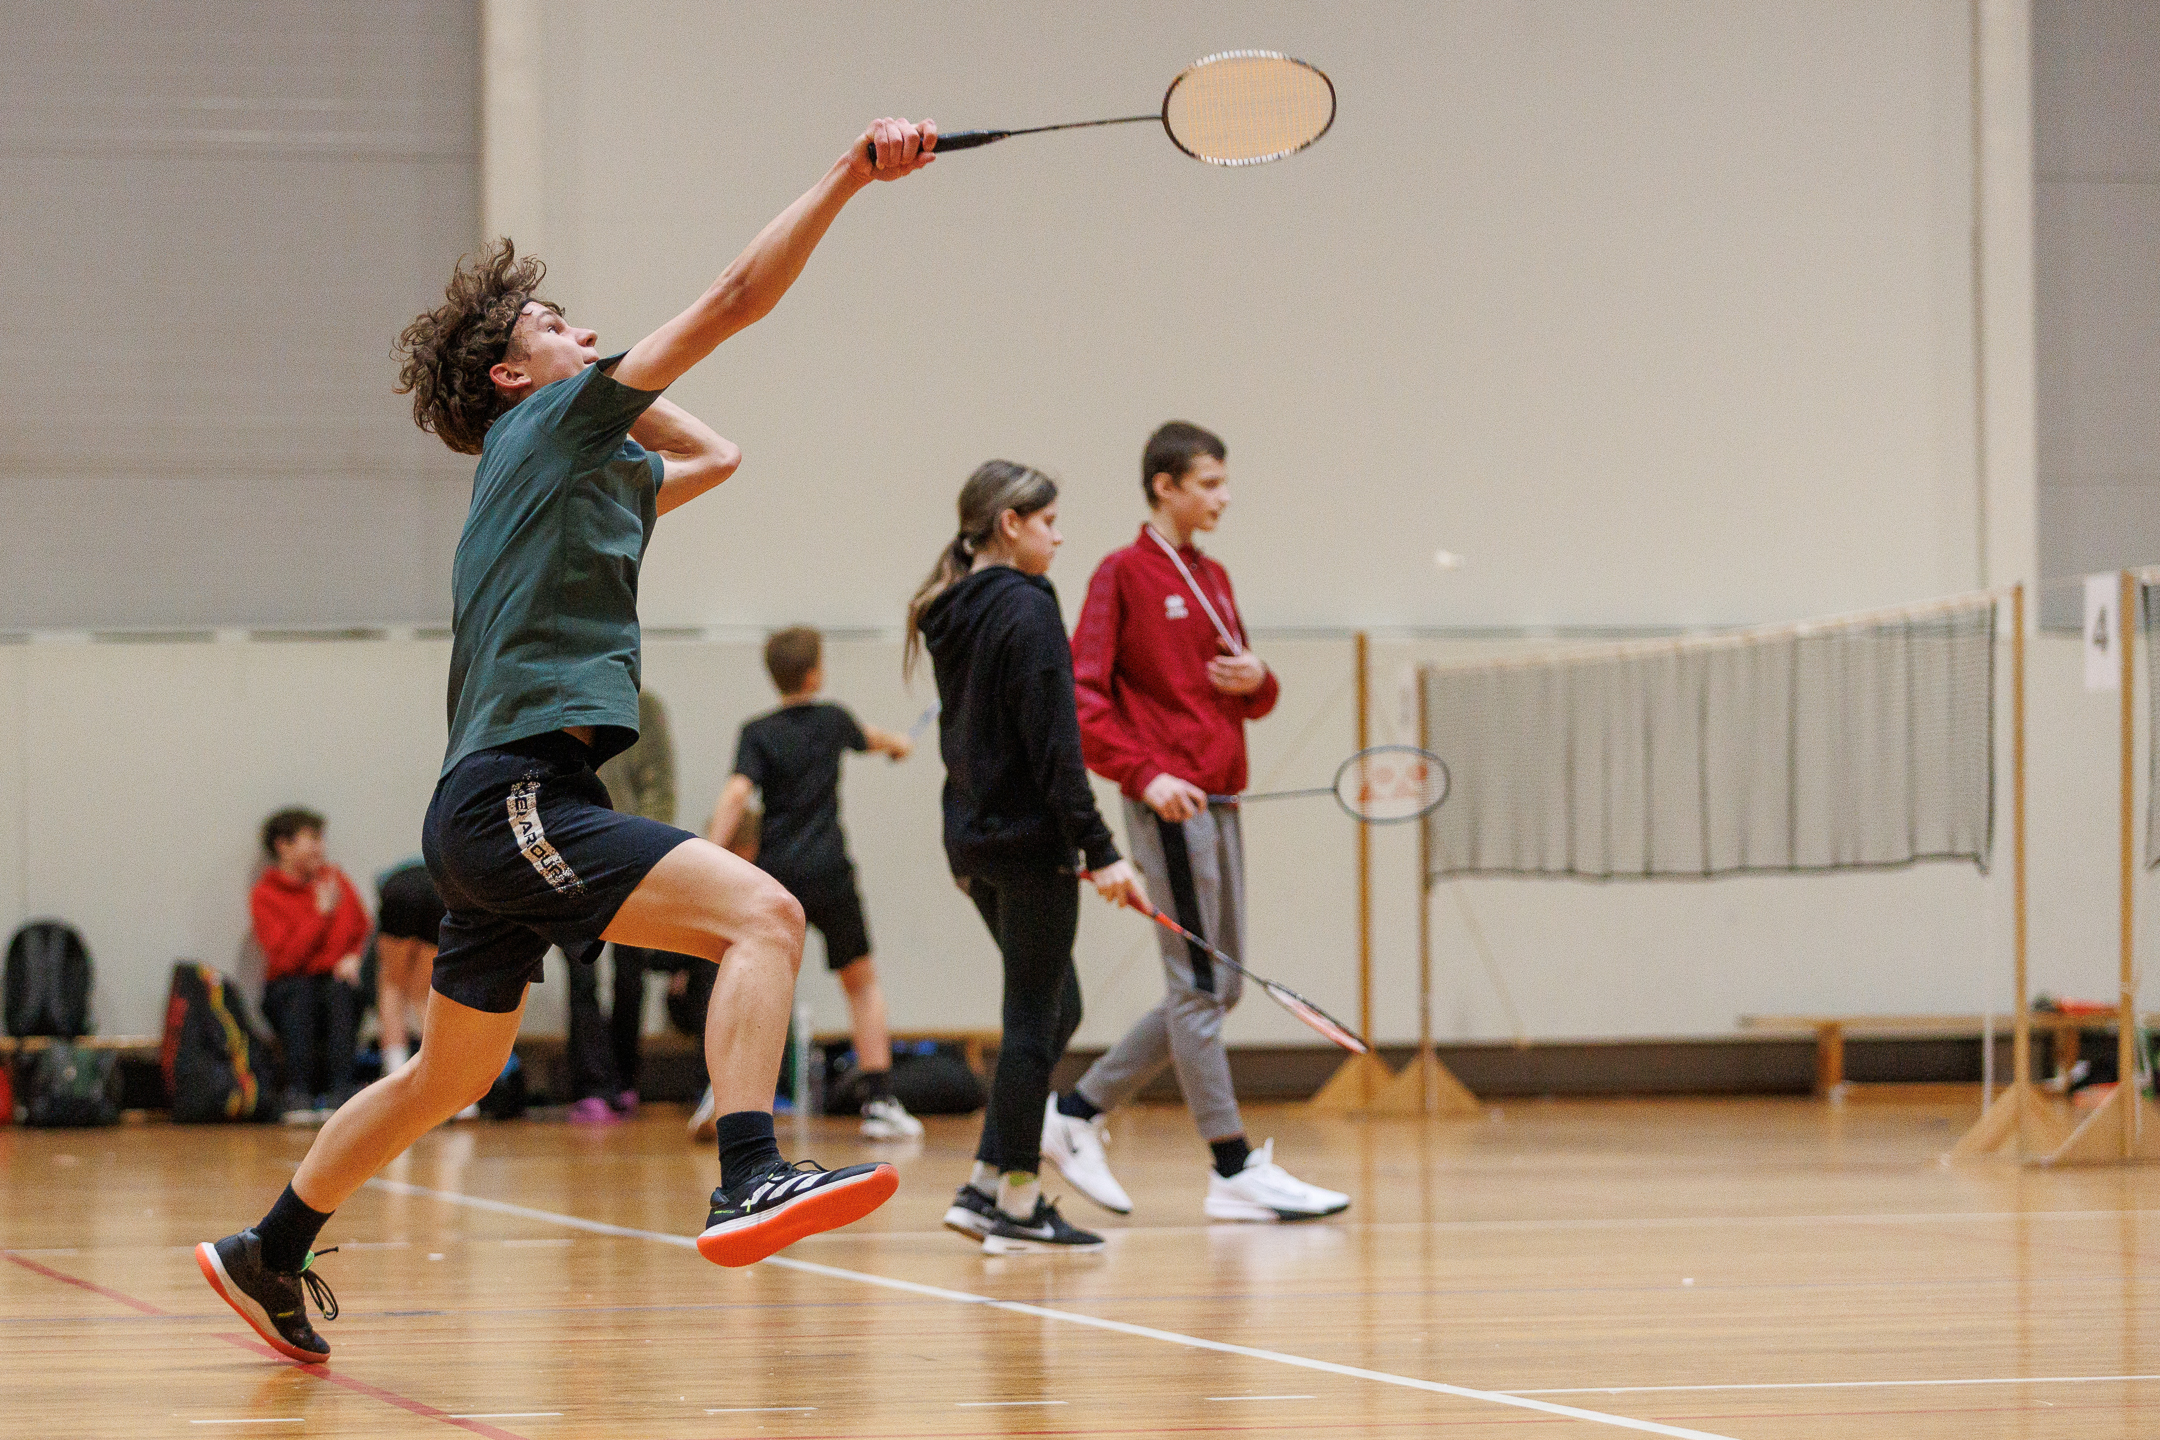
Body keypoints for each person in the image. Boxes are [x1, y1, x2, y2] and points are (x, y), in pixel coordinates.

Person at [195, 116, 939, 1364]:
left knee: (447, 1078)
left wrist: (607, 382)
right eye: (553, 326)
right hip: (516, 796)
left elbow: (717, 455)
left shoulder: (567, 467)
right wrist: (847, 176)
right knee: (765, 917)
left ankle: (268, 1247)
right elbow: (735, 298)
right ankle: (749, 1173)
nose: (583, 333)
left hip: (493, 808)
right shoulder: (543, 433)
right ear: (509, 378)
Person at [1044, 422, 1349, 1224]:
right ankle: (1231, 1166)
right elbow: (1082, 697)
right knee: (1200, 986)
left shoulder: (1213, 576)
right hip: (1169, 802)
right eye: (1210, 483)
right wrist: (1145, 773)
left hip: (1222, 798)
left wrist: (1260, 678)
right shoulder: (1121, 573)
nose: (1224, 497)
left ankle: (1075, 1112)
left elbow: (1247, 692)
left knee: (1218, 984)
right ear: (1164, 486)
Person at [908, 460, 1147, 1254]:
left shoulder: (949, 609)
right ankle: (1015, 1198)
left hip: (972, 842)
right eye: (1048, 521)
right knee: (1031, 1017)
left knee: (1052, 1008)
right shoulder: (1027, 604)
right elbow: (1055, 745)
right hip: (1026, 840)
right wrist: (1102, 850)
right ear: (1009, 524)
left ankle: (986, 1183)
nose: (1059, 536)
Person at [703, 627, 922, 1140]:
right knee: (861, 983)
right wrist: (901, 744)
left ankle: (726, 1092)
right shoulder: (833, 719)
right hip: (830, 873)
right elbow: (874, 738)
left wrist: (709, 853)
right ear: (815, 673)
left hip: (777, 878)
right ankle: (880, 1102)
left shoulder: (757, 732)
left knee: (759, 985)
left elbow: (736, 794)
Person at [565, 689, 682, 1123]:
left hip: (628, 854)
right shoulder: (565, 699)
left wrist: (643, 847)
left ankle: (624, 1079)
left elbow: (660, 785)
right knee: (581, 974)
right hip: (572, 853)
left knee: (631, 972)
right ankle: (591, 1085)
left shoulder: (645, 708)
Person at [250, 808, 369, 1120]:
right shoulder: (265, 894)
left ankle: (342, 1092)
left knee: (341, 991)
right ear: (283, 846)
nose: (321, 848)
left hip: (333, 983)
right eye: (313, 839)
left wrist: (355, 957)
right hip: (290, 987)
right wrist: (320, 914)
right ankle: (298, 1093)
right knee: (299, 993)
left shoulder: (335, 881)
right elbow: (286, 960)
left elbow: (361, 929)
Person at [371, 857, 443, 1078]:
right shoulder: (430, 871)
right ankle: (442, 1072)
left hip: (403, 894)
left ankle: (396, 1071)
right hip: (438, 896)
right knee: (425, 993)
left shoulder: (395, 883)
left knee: (392, 985)